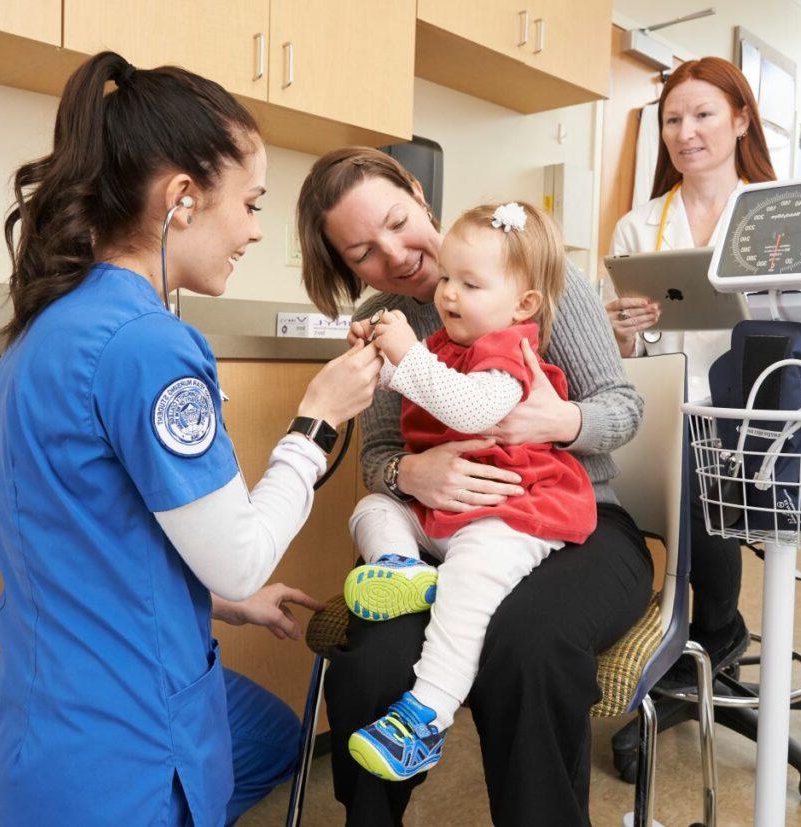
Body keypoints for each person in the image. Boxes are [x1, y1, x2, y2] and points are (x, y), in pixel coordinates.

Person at [0, 52, 381, 826]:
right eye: (253, 203)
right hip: (124, 740)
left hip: (46, 720)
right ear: (183, 199)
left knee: (268, 736)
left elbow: (93, 529)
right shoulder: (148, 346)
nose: (258, 230)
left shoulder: (42, 332)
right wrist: (317, 420)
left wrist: (220, 602)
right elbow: (239, 550)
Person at [297, 147, 653, 826]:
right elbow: (375, 456)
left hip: (573, 522)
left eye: (399, 222)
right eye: (364, 252)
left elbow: (626, 408)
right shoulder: (385, 325)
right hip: (442, 535)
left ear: (419, 195)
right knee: (370, 659)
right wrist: (409, 471)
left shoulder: (537, 277)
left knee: (528, 643)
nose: (396, 255)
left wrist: (563, 418)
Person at [604, 56, 801, 686]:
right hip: (664, 415)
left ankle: (710, 633)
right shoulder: (640, 225)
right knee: (668, 456)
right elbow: (627, 359)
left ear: (741, 120)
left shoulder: (783, 215)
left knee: (700, 461)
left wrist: (780, 295)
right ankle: (692, 632)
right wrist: (622, 330)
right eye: (673, 119)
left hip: (757, 414)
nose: (686, 132)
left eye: (703, 115)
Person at [342, 202, 597, 781]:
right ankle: (400, 568)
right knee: (375, 505)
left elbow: (467, 405)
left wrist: (407, 354)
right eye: (449, 279)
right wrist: (377, 350)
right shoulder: (447, 346)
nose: (448, 294)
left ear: (523, 304)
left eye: (471, 284)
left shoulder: (510, 350)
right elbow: (409, 390)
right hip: (442, 510)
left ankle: (425, 717)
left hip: (512, 510)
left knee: (468, 586)